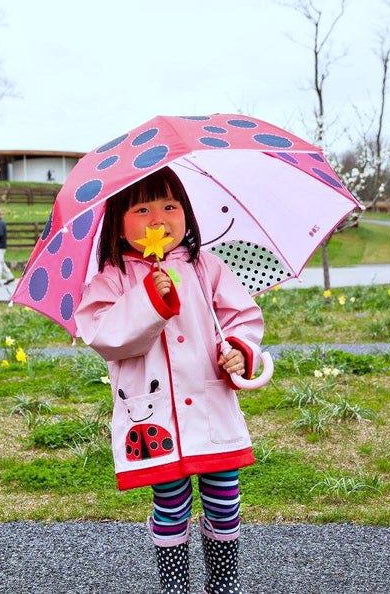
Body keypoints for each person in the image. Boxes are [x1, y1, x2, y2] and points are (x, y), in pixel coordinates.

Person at [74, 167, 262, 594]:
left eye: (169, 206)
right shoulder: (113, 279)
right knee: (171, 503)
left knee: (224, 499)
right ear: (118, 224)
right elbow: (106, 336)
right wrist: (148, 298)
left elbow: (242, 317)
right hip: (153, 416)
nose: (158, 218)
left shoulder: (205, 268)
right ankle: (175, 586)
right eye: (142, 208)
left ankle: (224, 584)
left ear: (187, 214)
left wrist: (239, 348)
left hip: (210, 405)